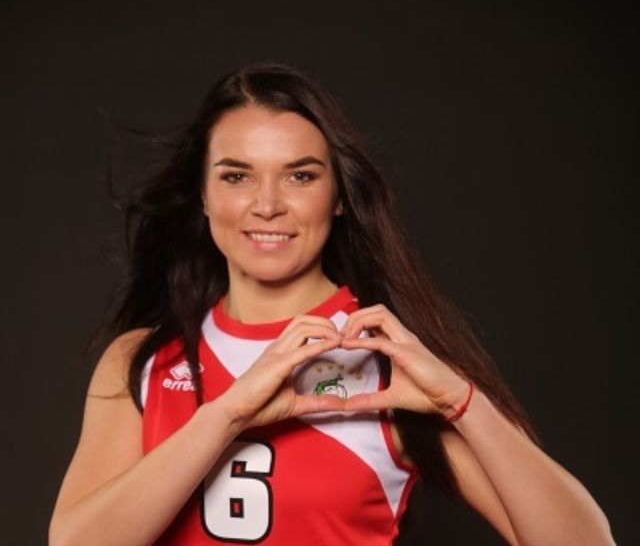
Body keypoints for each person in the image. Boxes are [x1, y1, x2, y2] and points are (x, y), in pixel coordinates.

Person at [49, 62, 614, 545]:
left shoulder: (390, 362)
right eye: (237, 176)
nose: (267, 205)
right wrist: (227, 415)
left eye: (300, 176)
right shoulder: (143, 362)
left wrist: (464, 404)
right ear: (203, 193)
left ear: (339, 196)